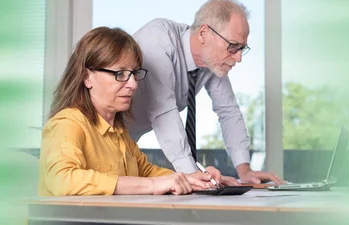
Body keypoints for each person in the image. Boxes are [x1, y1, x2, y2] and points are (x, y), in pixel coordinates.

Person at [38, 27, 235, 196]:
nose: (133, 84)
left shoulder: (119, 132)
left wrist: (192, 180)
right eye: (120, 74)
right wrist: (153, 185)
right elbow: (62, 179)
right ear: (87, 77)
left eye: (134, 73)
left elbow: (145, 171)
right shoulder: (67, 123)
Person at [126, 0, 284, 184]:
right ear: (204, 33)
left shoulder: (211, 61)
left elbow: (228, 111)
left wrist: (245, 171)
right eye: (233, 46)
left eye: (242, 48)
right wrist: (196, 177)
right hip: (97, 135)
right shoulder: (157, 40)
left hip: (126, 144)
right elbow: (163, 112)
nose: (239, 58)